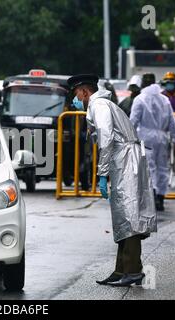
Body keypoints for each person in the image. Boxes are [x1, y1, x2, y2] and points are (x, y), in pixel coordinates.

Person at [69, 74, 157, 287]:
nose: (75, 99)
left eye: (76, 94)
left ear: (84, 92)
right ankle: (122, 269)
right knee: (123, 216)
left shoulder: (99, 105)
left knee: (129, 215)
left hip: (126, 160)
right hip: (125, 160)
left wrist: (101, 173)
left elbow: (106, 138)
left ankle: (133, 271)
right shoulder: (102, 104)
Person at [130, 73, 175, 212]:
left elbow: (133, 121)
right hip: (162, 137)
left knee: (148, 168)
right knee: (162, 168)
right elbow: (172, 121)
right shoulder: (164, 100)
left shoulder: (140, 99)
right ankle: (160, 198)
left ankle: (151, 197)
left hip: (145, 137)